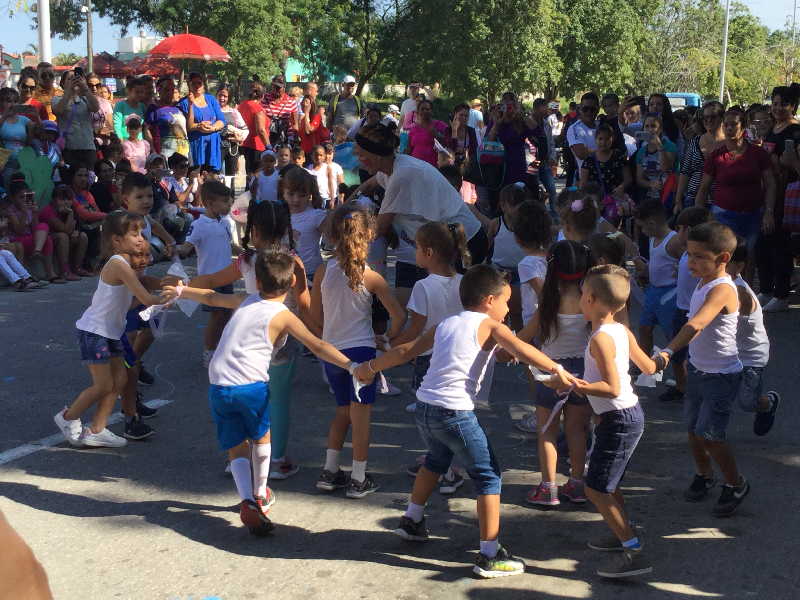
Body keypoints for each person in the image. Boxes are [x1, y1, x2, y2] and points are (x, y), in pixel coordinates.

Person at [355, 264, 572, 578]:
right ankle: (489, 553)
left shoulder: (446, 323)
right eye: (505, 302)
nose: (507, 309)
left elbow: (406, 351)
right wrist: (557, 369)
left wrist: (370, 367)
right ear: (487, 301)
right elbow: (523, 348)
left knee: (436, 459)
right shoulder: (490, 325)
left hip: (426, 408)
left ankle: (413, 519)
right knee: (488, 475)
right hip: (455, 413)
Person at [165, 249, 356, 534]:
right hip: (249, 385)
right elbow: (318, 345)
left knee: (236, 443)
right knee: (261, 436)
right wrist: (351, 365)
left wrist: (182, 290)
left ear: (256, 280)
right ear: (292, 282)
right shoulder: (283, 314)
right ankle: (260, 493)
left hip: (219, 382)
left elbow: (210, 297)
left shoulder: (244, 300)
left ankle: (245, 499)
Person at [53, 210, 174, 448]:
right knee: (103, 385)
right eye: (134, 234)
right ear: (117, 241)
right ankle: (67, 418)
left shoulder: (128, 263)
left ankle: (97, 429)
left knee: (119, 381)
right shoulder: (118, 264)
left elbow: (146, 283)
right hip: (95, 332)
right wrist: (165, 298)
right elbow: (145, 296)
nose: (141, 238)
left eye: (142, 233)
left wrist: (168, 284)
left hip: (112, 332)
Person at [567, 264, 657, 579]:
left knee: (595, 488)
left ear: (591, 299)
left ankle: (633, 550)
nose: (580, 300)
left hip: (619, 418)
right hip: (624, 417)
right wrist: (663, 357)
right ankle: (620, 533)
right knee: (609, 482)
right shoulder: (621, 329)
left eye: (581, 295)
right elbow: (647, 367)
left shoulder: (601, 338)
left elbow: (612, 387)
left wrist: (572, 383)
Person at [312, 203, 406, 498]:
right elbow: (399, 316)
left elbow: (315, 318)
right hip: (362, 354)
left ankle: (329, 470)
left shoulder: (322, 272)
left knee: (341, 412)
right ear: (368, 236)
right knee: (361, 416)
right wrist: (385, 337)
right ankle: (359, 477)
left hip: (331, 352)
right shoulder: (372, 276)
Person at [656, 222, 749, 517]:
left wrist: (669, 351)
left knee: (711, 434)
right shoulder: (703, 279)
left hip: (721, 375)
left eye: (698, 256)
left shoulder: (722, 289)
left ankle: (735, 483)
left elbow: (697, 323)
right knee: (694, 430)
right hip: (698, 370)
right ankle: (704, 474)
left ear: (723, 259)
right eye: (689, 254)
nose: (690, 261)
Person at [353, 123, 485, 303]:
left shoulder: (401, 175)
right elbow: (368, 185)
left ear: (376, 156)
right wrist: (344, 207)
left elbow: (380, 228)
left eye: (361, 154)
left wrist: (347, 241)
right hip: (448, 241)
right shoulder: (392, 167)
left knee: (456, 306)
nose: (357, 157)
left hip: (465, 242)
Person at [518, 240, 592, 507]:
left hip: (550, 373)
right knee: (577, 430)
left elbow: (525, 338)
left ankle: (548, 487)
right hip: (582, 374)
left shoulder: (549, 303)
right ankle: (577, 483)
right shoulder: (590, 303)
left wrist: (503, 345)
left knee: (547, 432)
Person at [391, 221, 469, 433]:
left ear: (428, 252)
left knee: (430, 412)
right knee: (452, 403)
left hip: (429, 355)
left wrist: (391, 346)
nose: (414, 251)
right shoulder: (464, 282)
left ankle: (435, 455)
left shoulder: (422, 286)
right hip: (459, 353)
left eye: (416, 247)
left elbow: (416, 328)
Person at [695, 107, 775, 256]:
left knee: (748, 257)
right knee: (724, 257)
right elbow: (703, 188)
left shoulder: (758, 154)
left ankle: (745, 281)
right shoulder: (716, 156)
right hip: (723, 215)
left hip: (753, 214)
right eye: (726, 125)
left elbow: (770, 184)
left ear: (743, 127)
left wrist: (769, 212)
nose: (729, 128)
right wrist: (701, 218)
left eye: (734, 124)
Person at [725, 241, 781, 436]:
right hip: (730, 353)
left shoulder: (740, 293)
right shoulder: (718, 284)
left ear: (738, 266)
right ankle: (710, 433)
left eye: (723, 262)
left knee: (747, 402)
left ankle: (768, 403)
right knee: (718, 394)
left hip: (750, 356)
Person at [178, 180, 235, 366]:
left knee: (227, 314)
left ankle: (222, 348)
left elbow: (230, 246)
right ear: (210, 203)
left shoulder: (226, 223)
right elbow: (187, 246)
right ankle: (209, 351)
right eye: (225, 201)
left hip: (227, 276)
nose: (229, 205)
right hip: (210, 280)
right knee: (216, 316)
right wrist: (174, 249)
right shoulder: (200, 224)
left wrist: (246, 253)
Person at [757, 83, 800, 312]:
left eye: (784, 103)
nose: (778, 108)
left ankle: (782, 294)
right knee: (763, 245)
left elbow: (793, 165)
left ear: (793, 106)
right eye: (775, 103)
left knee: (780, 247)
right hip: (767, 193)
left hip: (786, 196)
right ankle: (766, 290)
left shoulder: (795, 131)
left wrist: (789, 162)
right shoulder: (773, 128)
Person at [663, 206, 713, 404]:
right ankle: (681, 387)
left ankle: (699, 390)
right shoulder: (685, 253)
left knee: (696, 355)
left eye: (681, 228)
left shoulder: (702, 258)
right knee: (676, 354)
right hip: (680, 308)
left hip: (696, 313)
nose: (677, 233)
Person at [635, 199, 681, 364]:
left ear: (652, 223)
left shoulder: (674, 240)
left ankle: (679, 368)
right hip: (653, 291)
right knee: (644, 327)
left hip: (670, 294)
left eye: (642, 226)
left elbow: (686, 263)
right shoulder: (652, 238)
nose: (641, 231)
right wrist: (646, 272)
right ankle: (644, 362)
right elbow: (657, 262)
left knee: (672, 334)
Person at [674, 101, 726, 213]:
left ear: (722, 118)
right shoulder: (695, 141)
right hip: (692, 198)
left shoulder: (730, 143)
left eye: (712, 116)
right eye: (704, 117)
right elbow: (685, 172)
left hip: (720, 201)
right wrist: (678, 200)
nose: (708, 120)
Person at [6, 180, 61, 283]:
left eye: (26, 196)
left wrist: (35, 213)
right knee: (46, 238)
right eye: (21, 197)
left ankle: (49, 271)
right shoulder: (11, 211)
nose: (24, 200)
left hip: (30, 238)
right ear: (13, 198)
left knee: (44, 229)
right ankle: (38, 253)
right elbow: (19, 231)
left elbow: (35, 227)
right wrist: (23, 213)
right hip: (18, 239)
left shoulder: (29, 207)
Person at [38, 184, 89, 280]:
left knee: (82, 236)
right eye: (62, 199)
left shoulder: (70, 208)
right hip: (47, 238)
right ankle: (64, 271)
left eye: (68, 199)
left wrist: (76, 232)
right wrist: (70, 214)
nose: (66, 202)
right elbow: (65, 230)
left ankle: (77, 268)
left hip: (64, 236)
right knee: (63, 236)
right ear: (54, 200)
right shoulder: (48, 211)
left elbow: (77, 225)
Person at [52, 70, 99, 170]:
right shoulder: (56, 99)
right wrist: (69, 92)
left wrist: (85, 88)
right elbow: (59, 110)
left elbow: (95, 108)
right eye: (70, 79)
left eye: (76, 78)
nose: (73, 80)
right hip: (69, 149)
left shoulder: (85, 99)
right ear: (62, 83)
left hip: (88, 147)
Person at [179, 73, 226, 171]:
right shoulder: (183, 103)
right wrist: (199, 126)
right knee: (195, 178)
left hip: (213, 145)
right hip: (196, 146)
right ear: (189, 85)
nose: (197, 86)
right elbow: (188, 127)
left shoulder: (210, 99)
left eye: (199, 83)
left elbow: (222, 120)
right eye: (193, 83)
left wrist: (213, 128)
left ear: (203, 84)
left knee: (211, 179)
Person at [580, 122, 632, 209]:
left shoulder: (619, 156)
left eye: (607, 139)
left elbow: (628, 179)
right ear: (595, 139)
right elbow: (583, 184)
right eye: (600, 139)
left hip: (615, 202)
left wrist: (621, 187)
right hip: (595, 203)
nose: (603, 142)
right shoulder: (589, 159)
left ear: (613, 139)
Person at [635, 113, 677, 203]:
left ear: (660, 129)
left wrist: (660, 147)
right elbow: (639, 179)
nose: (650, 129)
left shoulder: (670, 146)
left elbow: (665, 168)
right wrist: (650, 184)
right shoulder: (641, 151)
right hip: (649, 196)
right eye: (647, 126)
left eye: (653, 126)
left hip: (668, 194)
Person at [145, 77, 189, 160]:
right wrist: (153, 149)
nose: (170, 92)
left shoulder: (179, 107)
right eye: (166, 90)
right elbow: (147, 129)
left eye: (172, 89)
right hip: (165, 153)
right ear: (159, 90)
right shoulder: (153, 108)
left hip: (183, 151)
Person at [237, 82, 270, 174]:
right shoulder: (257, 108)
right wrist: (269, 146)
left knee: (250, 175)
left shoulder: (242, 105)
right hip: (257, 146)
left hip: (245, 144)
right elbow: (261, 130)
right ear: (262, 96)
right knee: (257, 176)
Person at [217, 84, 249, 176]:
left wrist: (239, 138)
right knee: (215, 174)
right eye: (220, 95)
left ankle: (230, 191)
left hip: (232, 149)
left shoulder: (234, 112)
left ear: (229, 97)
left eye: (225, 96)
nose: (222, 98)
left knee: (231, 176)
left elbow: (245, 130)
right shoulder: (212, 110)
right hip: (216, 148)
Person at [262, 75, 298, 145]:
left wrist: (292, 139)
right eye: (274, 87)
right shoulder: (264, 99)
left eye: (278, 88)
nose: (275, 90)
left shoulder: (291, 102)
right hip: (266, 138)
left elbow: (295, 124)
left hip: (284, 138)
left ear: (284, 87)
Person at [113, 77, 147, 142]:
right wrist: (122, 143)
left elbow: (144, 127)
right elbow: (117, 127)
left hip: (139, 144)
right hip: (125, 143)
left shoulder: (142, 107)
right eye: (137, 92)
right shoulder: (120, 105)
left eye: (142, 92)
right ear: (128, 91)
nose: (140, 94)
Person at [86, 72, 114, 148]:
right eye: (90, 85)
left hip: (104, 145)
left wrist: (100, 131)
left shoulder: (106, 103)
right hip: (85, 145)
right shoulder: (80, 102)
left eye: (97, 85)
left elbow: (110, 127)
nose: (94, 88)